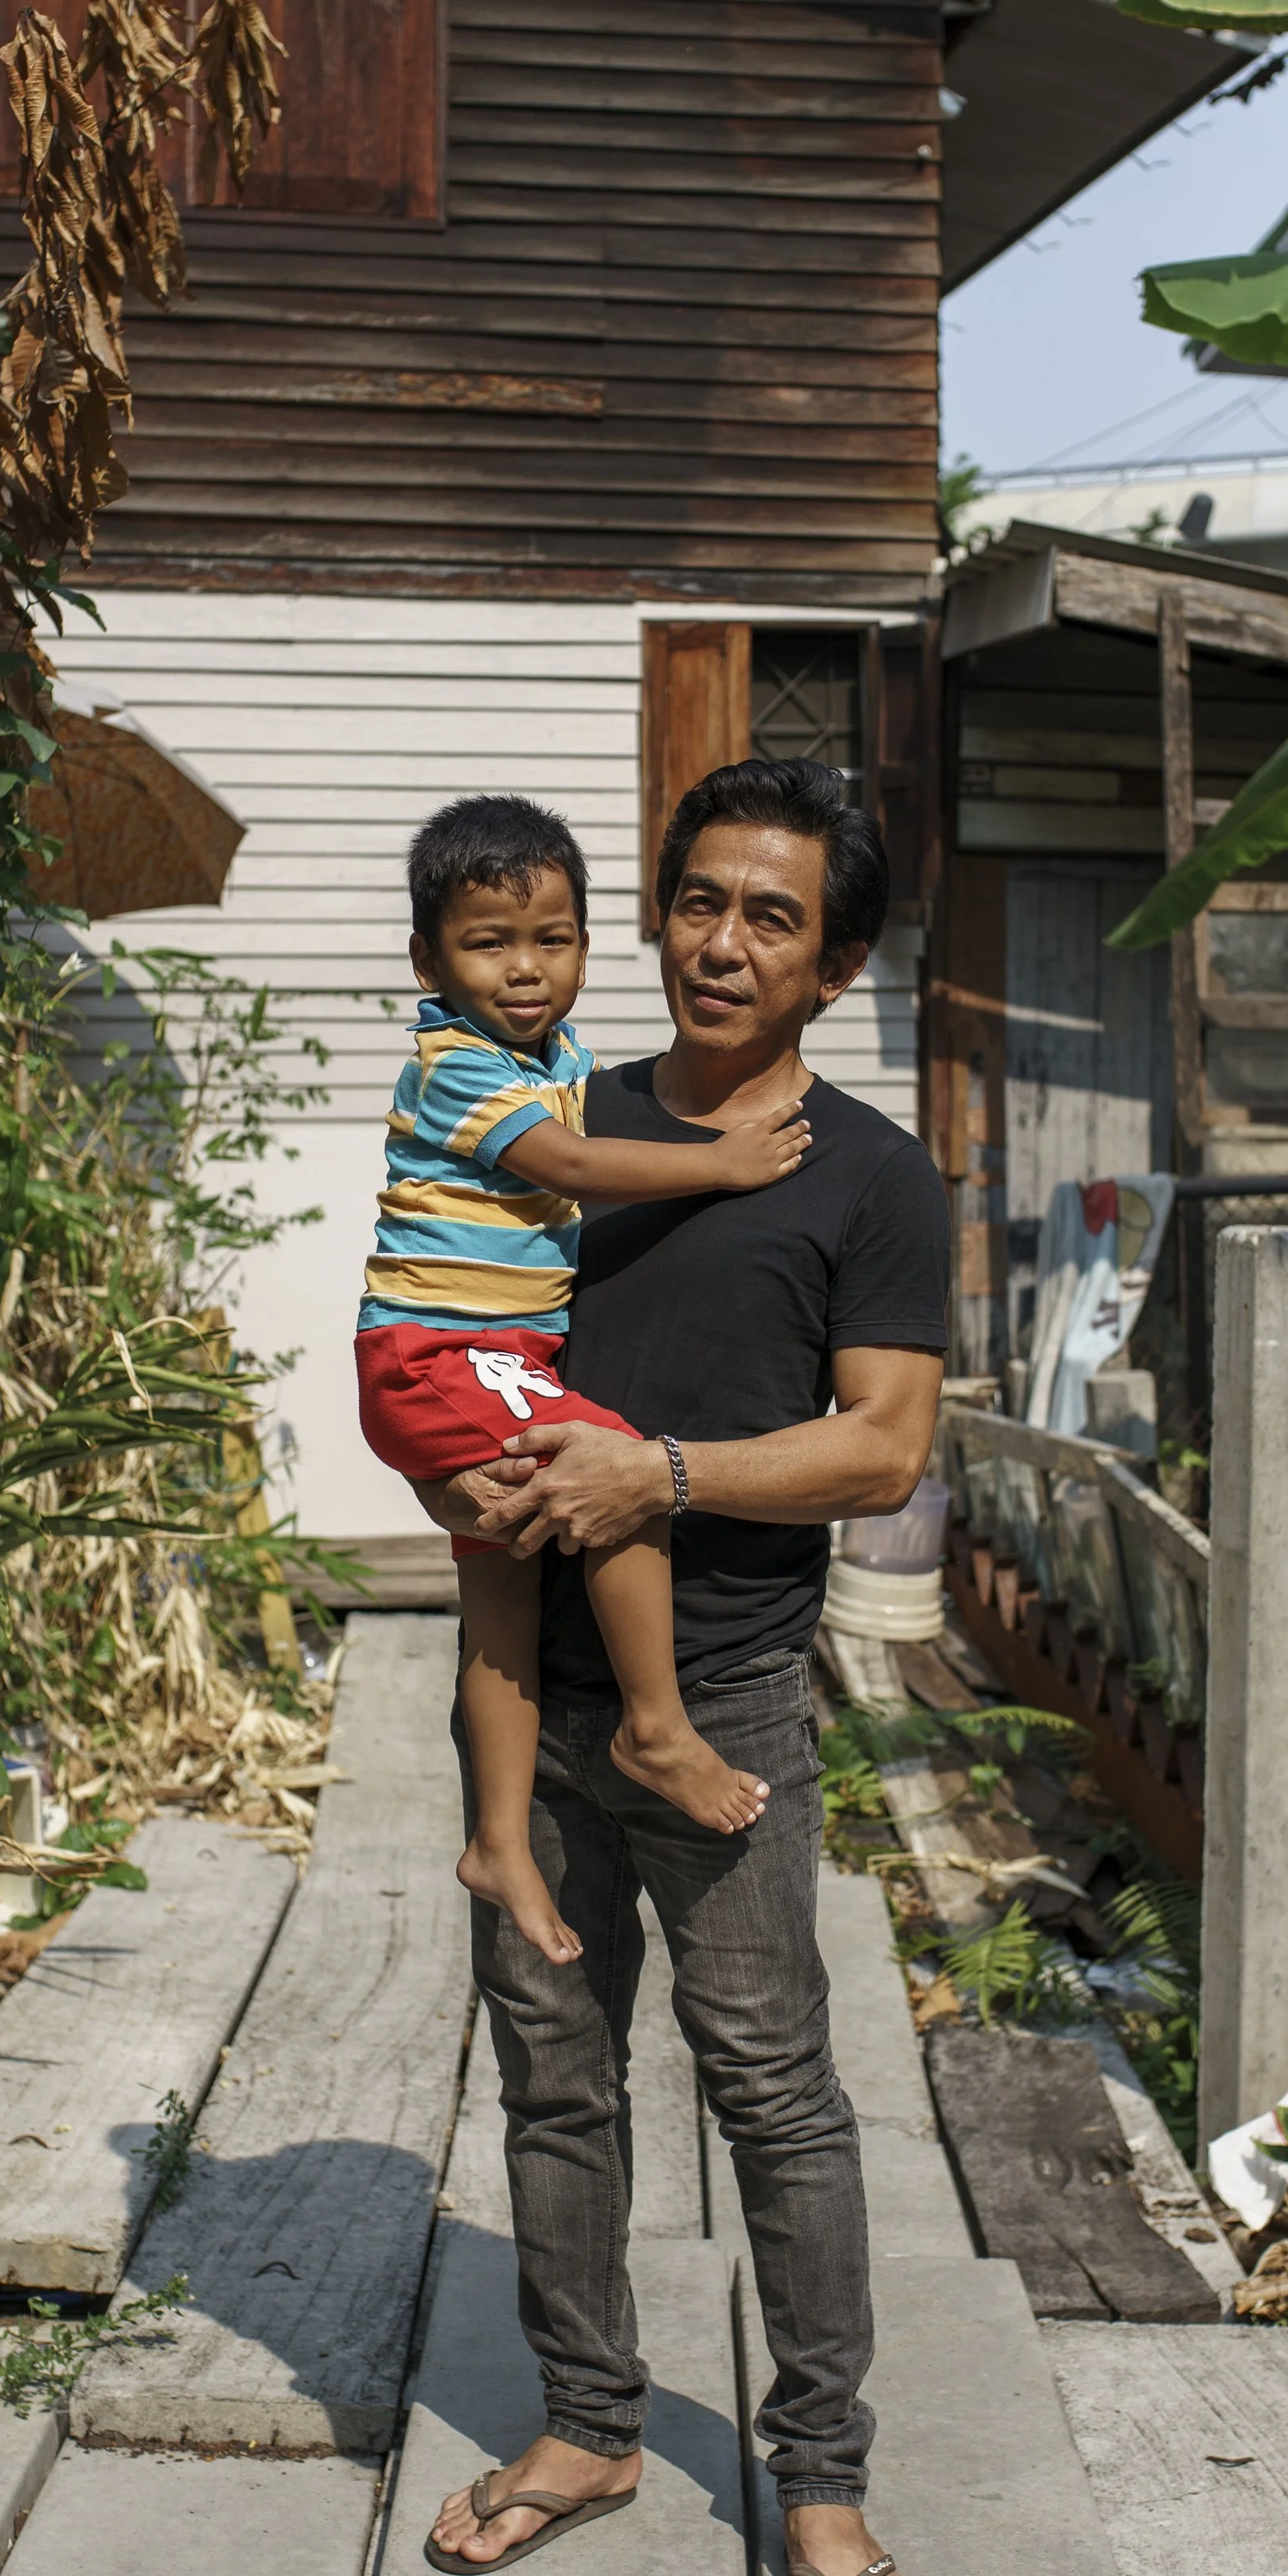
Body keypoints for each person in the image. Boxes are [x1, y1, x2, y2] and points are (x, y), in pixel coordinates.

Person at [418, 756, 947, 2576]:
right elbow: (435, 1302)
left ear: (837, 962)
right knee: (556, 2081)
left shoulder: (872, 1179)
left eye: (770, 917)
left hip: (714, 1703)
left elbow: (883, 1452)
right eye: (697, 901)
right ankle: (587, 2426)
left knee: (771, 2089)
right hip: (516, 1685)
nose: (718, 943)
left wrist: (666, 1478)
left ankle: (816, 2470)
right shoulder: (549, 1111)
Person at [356, 794, 814, 1970]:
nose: (524, 970)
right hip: (446, 1357)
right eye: (487, 943)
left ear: (588, 946)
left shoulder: (553, 1057)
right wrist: (720, 1161)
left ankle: (498, 1838)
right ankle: (656, 1727)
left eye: (551, 940)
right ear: (428, 959)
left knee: (502, 1583)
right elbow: (565, 1162)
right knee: (614, 1467)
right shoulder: (457, 1065)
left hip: (473, 1360)